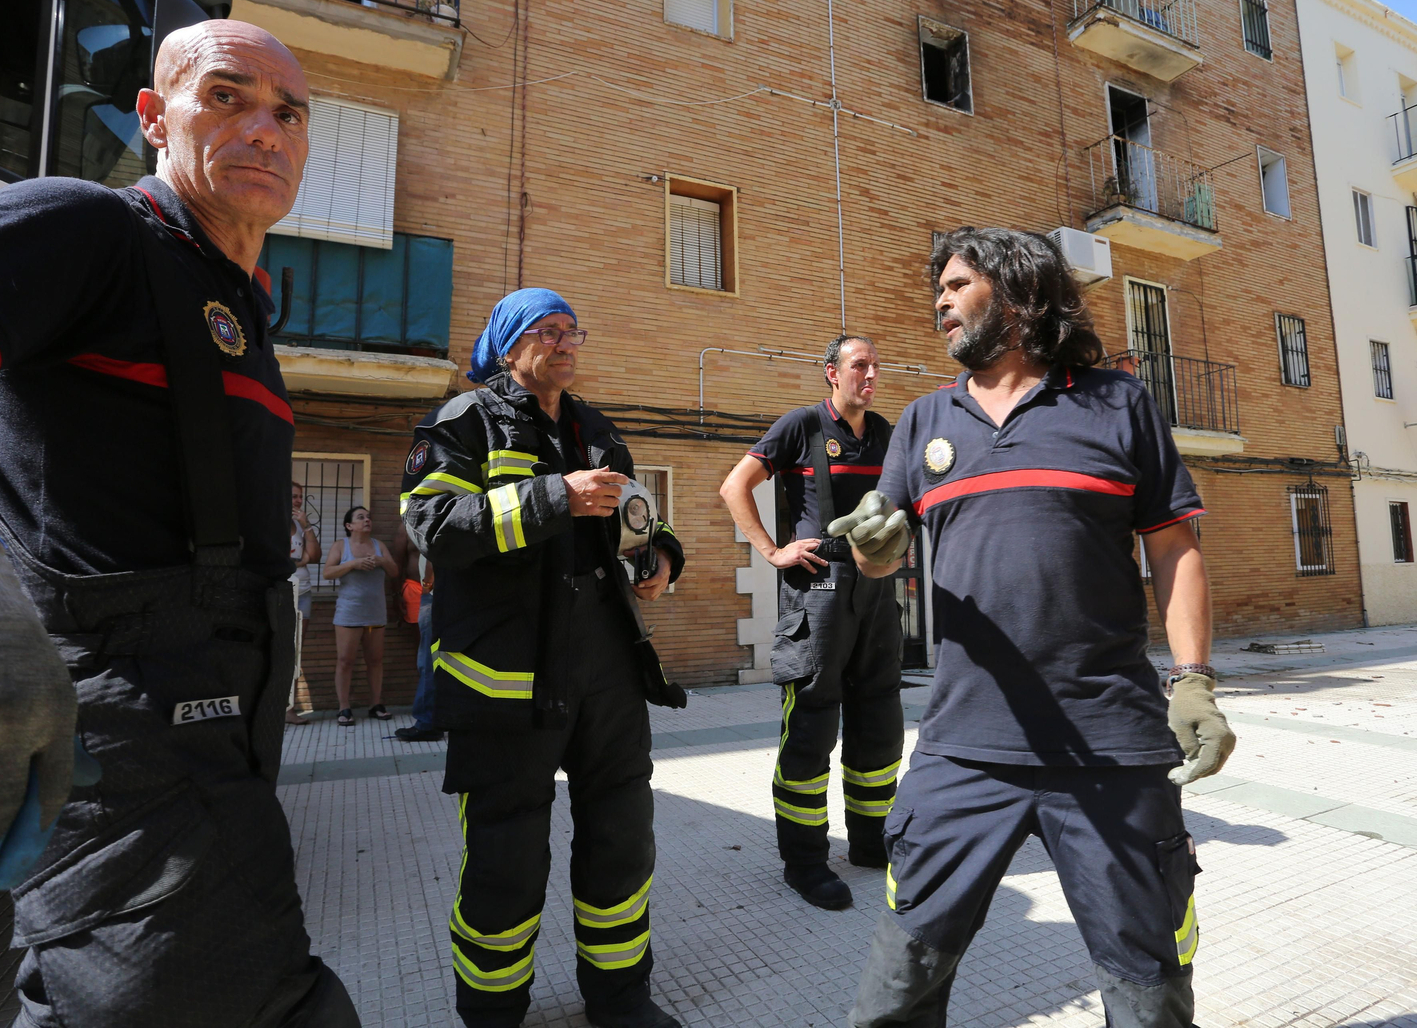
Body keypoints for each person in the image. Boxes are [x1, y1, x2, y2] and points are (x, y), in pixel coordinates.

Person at [0, 19, 360, 1026]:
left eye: (289, 113)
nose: (266, 129)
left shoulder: (237, 300)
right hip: (118, 716)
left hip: (214, 715)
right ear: (154, 119)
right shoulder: (87, 226)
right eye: (228, 96)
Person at [838, 227, 1235, 1028]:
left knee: (1146, 987)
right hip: (962, 747)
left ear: (1017, 292)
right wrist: (873, 552)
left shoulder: (1116, 404)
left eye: (956, 284)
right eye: (938, 289)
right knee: (896, 991)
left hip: (1110, 746)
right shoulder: (922, 424)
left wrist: (1193, 680)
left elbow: (1175, 548)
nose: (939, 302)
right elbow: (882, 553)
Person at [400, 288, 687, 1028]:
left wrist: (660, 555)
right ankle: (493, 1009)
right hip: (506, 680)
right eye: (546, 331)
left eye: (572, 331)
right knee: (507, 852)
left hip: (607, 671)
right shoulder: (463, 423)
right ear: (506, 345)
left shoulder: (596, 426)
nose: (565, 343)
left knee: (623, 837)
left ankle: (620, 995)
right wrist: (554, 496)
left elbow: (634, 519)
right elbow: (433, 526)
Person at [718, 335, 904, 911]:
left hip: (876, 590)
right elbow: (734, 486)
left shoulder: (885, 433)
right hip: (816, 593)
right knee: (811, 730)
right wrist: (773, 552)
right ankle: (804, 863)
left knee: (879, 724)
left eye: (875, 365)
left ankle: (872, 846)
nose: (869, 375)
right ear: (832, 373)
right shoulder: (799, 426)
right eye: (858, 365)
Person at [323, 506, 398, 726]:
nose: (367, 520)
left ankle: (375, 704)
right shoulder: (340, 546)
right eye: (361, 517)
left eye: (368, 517)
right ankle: (344, 708)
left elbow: (394, 572)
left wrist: (382, 561)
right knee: (345, 661)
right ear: (349, 525)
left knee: (375, 660)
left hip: (376, 613)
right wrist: (353, 564)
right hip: (349, 613)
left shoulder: (378, 545)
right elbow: (327, 573)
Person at [391, 520, 442, 741]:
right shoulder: (409, 525)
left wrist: (428, 586)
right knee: (430, 659)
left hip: (432, 595)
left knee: (428, 661)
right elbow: (398, 562)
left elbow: (432, 553)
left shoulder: (436, 517)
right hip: (428, 594)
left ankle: (427, 723)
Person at [288, 479, 321, 724]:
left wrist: (306, 526)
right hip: (283, 593)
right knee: (283, 650)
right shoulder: (270, 522)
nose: (298, 501)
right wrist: (301, 560)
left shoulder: (301, 526)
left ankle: (288, 707)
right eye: (293, 497)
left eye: (300, 496)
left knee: (296, 651)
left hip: (304, 592)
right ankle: (280, 706)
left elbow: (316, 556)